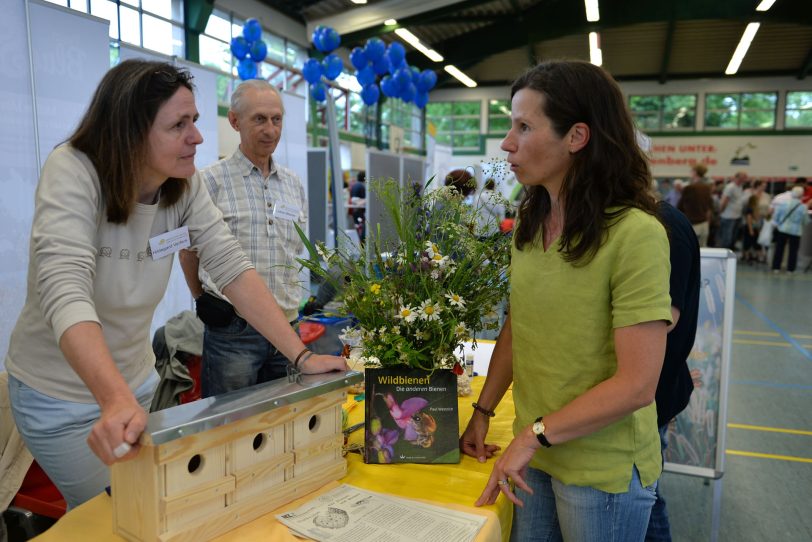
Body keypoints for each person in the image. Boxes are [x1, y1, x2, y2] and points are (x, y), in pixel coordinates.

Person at [4, 60, 348, 509]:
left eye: (195, 122)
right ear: (131, 131)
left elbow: (232, 266)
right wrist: (112, 399)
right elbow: (65, 290)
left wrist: (301, 355)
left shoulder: (181, 185)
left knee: (149, 509)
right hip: (61, 397)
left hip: (134, 386)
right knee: (117, 512)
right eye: (178, 125)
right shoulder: (73, 170)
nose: (197, 137)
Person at [461, 60, 671, 541]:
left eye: (524, 126)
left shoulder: (635, 234)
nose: (507, 143)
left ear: (576, 137)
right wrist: (484, 411)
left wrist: (533, 436)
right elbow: (520, 326)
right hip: (537, 451)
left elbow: (637, 384)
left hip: (600, 468)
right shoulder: (530, 227)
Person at [179, 79, 320, 398]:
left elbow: (294, 252)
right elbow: (188, 252)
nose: (270, 129)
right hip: (233, 332)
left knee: (283, 421)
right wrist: (202, 298)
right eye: (259, 119)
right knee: (229, 426)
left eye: (276, 119)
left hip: (288, 327)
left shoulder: (294, 185)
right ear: (234, 121)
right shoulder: (209, 182)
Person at [645, 200, 700, 542]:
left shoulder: (663, 226)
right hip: (647, 388)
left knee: (645, 495)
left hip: (652, 390)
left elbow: (664, 318)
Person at [771, 186, 811, 274]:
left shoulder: (783, 204)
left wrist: (778, 224)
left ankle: (776, 267)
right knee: (793, 250)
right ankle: (790, 269)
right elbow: (806, 220)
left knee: (779, 249)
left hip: (782, 229)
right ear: (801, 195)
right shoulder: (803, 207)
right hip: (796, 231)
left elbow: (776, 216)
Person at [678, 176, 713, 247]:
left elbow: (680, 207)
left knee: (689, 247)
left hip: (690, 224)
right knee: (703, 248)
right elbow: (709, 209)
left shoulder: (688, 189)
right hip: (703, 223)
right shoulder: (707, 189)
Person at [717, 171, 747, 250]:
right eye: (744, 178)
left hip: (737, 215)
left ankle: (730, 250)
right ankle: (724, 251)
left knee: (733, 236)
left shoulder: (740, 187)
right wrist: (721, 212)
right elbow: (724, 200)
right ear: (738, 178)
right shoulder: (730, 187)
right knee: (727, 237)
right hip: (728, 216)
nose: (745, 179)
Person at [349, 170, 367, 241]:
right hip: (359, 211)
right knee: (361, 232)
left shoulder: (354, 185)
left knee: (358, 230)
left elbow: (352, 199)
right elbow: (357, 201)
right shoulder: (361, 186)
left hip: (355, 211)